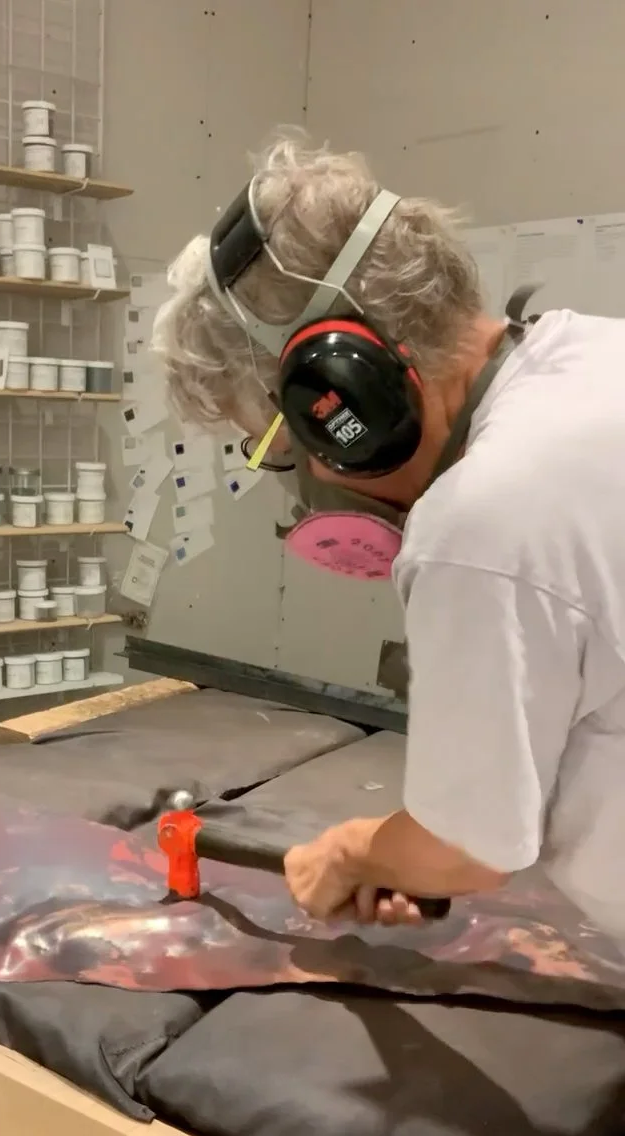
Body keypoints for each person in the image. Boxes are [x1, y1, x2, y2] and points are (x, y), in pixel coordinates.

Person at [152, 135, 625, 946]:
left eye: (283, 447)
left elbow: (470, 850)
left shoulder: (482, 519)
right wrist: (405, 857)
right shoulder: (596, 355)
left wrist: (348, 851)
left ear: (343, 398)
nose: (305, 480)